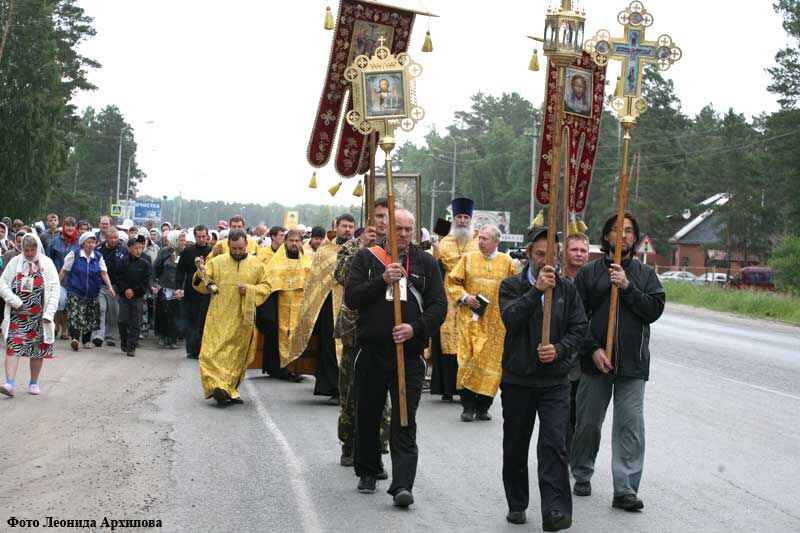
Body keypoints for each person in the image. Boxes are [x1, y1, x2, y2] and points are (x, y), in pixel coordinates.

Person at [345, 208, 447, 506]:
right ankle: (367, 469)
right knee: (369, 412)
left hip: (409, 354)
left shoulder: (426, 263)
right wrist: (381, 280)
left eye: (408, 229)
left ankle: (403, 484)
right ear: (386, 228)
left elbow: (439, 306)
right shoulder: (367, 258)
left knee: (404, 418)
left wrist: (415, 328)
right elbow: (352, 298)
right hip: (372, 350)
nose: (403, 234)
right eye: (398, 228)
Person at [570, 213, 665, 512]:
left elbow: (654, 309)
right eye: (616, 230)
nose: (623, 235)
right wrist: (593, 349)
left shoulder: (645, 275)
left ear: (635, 237)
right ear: (607, 235)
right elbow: (576, 319)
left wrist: (627, 287)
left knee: (630, 427)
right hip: (596, 362)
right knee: (587, 423)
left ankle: (625, 488)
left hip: (632, 365)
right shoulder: (588, 274)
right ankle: (582, 472)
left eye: (628, 231)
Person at [498, 227, 587, 529]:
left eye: (550, 255)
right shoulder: (511, 285)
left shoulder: (567, 289)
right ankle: (517, 502)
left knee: (554, 445)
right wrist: (535, 291)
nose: (545, 261)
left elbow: (579, 329)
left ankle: (555, 510)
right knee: (515, 445)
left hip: (554, 382)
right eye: (539, 254)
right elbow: (511, 319)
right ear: (528, 254)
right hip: (518, 380)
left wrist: (559, 349)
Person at [334, 199, 392, 470]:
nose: (382, 221)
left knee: (382, 396)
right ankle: (349, 442)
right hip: (354, 329)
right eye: (378, 216)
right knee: (350, 391)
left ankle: (376, 448)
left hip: (383, 328)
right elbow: (342, 277)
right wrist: (362, 248)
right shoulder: (351, 246)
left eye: (386, 216)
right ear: (369, 218)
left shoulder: (395, 249)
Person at [445, 225, 517, 422]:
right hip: (470, 320)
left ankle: (484, 406)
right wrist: (465, 297)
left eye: (485, 239)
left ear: (496, 242)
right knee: (468, 361)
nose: (481, 242)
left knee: (492, 364)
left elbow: (516, 288)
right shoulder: (468, 259)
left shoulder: (508, 262)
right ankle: (467, 407)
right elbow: (453, 282)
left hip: (497, 324)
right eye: (480, 238)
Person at [194, 229, 270, 405]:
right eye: (234, 248)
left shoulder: (257, 265)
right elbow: (202, 285)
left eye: (240, 248)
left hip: (242, 318)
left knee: (236, 354)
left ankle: (228, 388)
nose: (237, 251)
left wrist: (250, 290)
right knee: (211, 353)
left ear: (246, 246)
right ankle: (216, 387)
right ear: (228, 246)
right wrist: (201, 273)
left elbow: (266, 287)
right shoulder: (217, 262)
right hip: (218, 316)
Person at [289, 214, 355, 401]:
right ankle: (333, 387)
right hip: (328, 304)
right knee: (330, 346)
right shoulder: (325, 251)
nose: (347, 230)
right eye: (344, 226)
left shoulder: (360, 249)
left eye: (350, 226)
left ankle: (350, 387)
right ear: (336, 226)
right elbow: (316, 281)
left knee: (350, 346)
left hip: (352, 303)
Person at [0, 233, 60, 397]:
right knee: (13, 347)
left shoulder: (47, 264)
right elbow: (2, 283)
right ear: (22, 249)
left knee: (37, 350)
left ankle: (33, 382)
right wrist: (13, 300)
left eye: (33, 249)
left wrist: (50, 313)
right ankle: (9, 383)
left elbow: (55, 289)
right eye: (26, 250)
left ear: (37, 248)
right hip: (17, 316)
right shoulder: (15, 263)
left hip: (39, 318)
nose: (30, 253)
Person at [431, 197, 479, 401]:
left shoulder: (478, 240)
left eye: (465, 217)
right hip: (449, 295)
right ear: (454, 219)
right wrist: (434, 249)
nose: (462, 221)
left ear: (470, 219)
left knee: (471, 338)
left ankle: (467, 387)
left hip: (472, 293)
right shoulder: (445, 241)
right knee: (447, 338)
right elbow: (435, 266)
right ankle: (447, 388)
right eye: (458, 217)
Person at [260, 229, 311, 378]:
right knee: (279, 334)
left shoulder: (307, 261)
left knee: (297, 334)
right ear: (286, 242)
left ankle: (295, 367)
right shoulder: (276, 260)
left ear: (301, 242)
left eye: (297, 241)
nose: (294, 244)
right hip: (280, 302)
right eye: (291, 241)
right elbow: (269, 278)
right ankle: (279, 368)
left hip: (299, 304)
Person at [59, 232, 115, 351]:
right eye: (88, 242)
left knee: (89, 316)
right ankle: (75, 338)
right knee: (75, 314)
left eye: (93, 242)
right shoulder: (74, 254)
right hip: (76, 290)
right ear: (83, 244)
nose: (91, 245)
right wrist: (56, 285)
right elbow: (64, 270)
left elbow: (103, 273)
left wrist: (110, 287)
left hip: (92, 292)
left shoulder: (98, 257)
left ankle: (86, 340)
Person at [562, 232, 590, 453]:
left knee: (583, 412)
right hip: (563, 354)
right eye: (574, 249)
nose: (579, 254)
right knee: (564, 409)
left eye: (583, 250)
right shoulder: (556, 279)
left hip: (587, 355)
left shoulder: (594, 280)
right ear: (565, 251)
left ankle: (578, 454)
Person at [176, 225, 213, 359]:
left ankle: (203, 349)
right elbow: (180, 271)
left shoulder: (212, 252)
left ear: (207, 236)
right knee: (190, 319)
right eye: (198, 237)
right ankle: (192, 349)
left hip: (206, 291)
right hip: (191, 290)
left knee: (203, 320)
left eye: (204, 236)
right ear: (195, 236)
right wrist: (178, 288)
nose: (201, 239)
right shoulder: (188, 251)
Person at [115, 237, 152, 357]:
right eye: (136, 248)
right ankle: (124, 341)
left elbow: (146, 282)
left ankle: (132, 347)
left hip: (137, 297)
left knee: (135, 321)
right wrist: (125, 290)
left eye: (140, 248)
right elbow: (118, 278)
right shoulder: (123, 262)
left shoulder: (145, 264)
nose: (138, 250)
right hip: (124, 295)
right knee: (123, 320)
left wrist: (135, 291)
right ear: (129, 249)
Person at [93, 227, 128, 347]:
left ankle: (111, 336)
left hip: (116, 286)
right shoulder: (98, 249)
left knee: (113, 312)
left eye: (116, 238)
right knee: (101, 309)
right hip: (100, 285)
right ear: (106, 238)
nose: (114, 240)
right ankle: (98, 335)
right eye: (111, 238)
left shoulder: (123, 250)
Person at [153, 230, 184, 349]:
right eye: (180, 240)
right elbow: (156, 267)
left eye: (183, 240)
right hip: (165, 287)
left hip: (178, 289)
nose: (183, 243)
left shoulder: (184, 253)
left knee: (176, 314)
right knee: (164, 313)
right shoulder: (164, 252)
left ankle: (173, 339)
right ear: (174, 240)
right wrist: (153, 283)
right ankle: (163, 336)